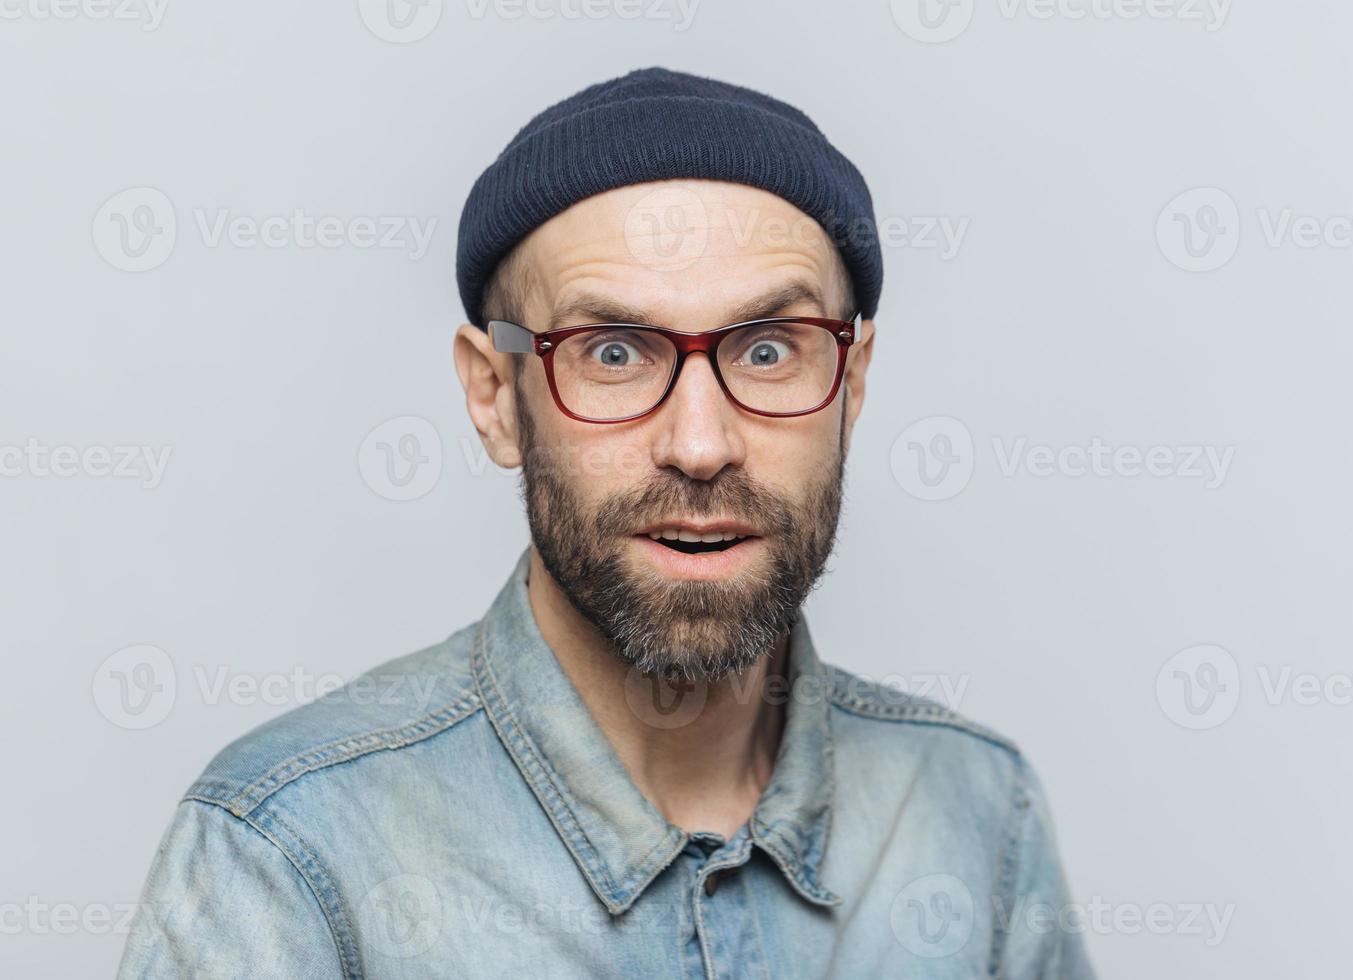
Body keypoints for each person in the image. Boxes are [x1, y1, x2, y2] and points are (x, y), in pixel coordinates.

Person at [117, 66, 1095, 979]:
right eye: (614, 353)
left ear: (854, 381)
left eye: (768, 349)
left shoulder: (975, 812)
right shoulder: (288, 851)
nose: (701, 443)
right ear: (496, 393)